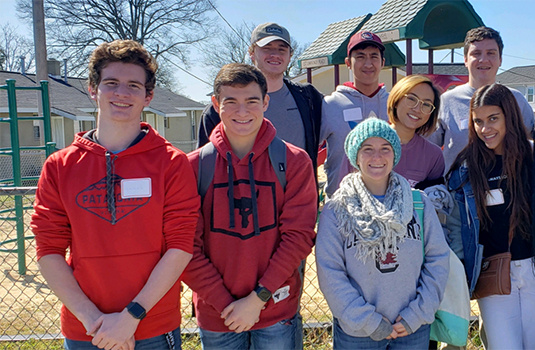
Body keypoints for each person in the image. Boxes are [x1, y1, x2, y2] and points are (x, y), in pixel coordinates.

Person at [31, 39, 200, 350]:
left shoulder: (171, 163)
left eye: (133, 85)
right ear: (93, 88)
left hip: (152, 327)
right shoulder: (60, 166)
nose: (122, 93)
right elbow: (48, 250)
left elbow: (180, 246)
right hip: (86, 329)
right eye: (111, 83)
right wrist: (91, 318)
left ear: (148, 96)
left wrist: (130, 318)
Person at [182, 63, 317, 349]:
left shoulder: (294, 162)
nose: (242, 112)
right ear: (216, 104)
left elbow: (298, 237)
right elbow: (184, 247)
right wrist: (226, 304)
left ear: (266, 102)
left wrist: (258, 299)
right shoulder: (193, 167)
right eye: (231, 102)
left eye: (252, 101)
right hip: (218, 314)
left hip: (277, 311)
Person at [316, 117, 450, 349]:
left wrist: (416, 314)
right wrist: (368, 321)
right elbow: (330, 272)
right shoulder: (337, 209)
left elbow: (438, 260)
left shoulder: (418, 203)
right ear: (355, 156)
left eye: (385, 149)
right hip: (358, 331)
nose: (377, 157)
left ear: (394, 154)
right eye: (367, 149)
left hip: (410, 328)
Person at [444, 83, 535, 349]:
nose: (485, 128)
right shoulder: (468, 167)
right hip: (494, 271)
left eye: (493, 119)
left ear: (509, 117)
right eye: (478, 121)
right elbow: (457, 225)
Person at [198, 22, 324, 173]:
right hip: (239, 194)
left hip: (298, 193)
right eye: (267, 48)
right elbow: (205, 167)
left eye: (281, 49)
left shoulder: (309, 99)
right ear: (251, 53)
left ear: (290, 56)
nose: (275, 55)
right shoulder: (218, 111)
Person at [429, 26, 534, 174]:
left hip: (510, 191)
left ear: (500, 60)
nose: (483, 60)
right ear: (465, 60)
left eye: (491, 53)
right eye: (476, 54)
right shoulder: (447, 101)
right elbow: (426, 149)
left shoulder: (516, 100)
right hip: (459, 193)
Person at [320, 31, 389, 196]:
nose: (368, 64)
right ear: (348, 63)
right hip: (341, 203)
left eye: (374, 56)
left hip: (387, 202)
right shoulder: (331, 105)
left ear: (382, 62)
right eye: (360, 57)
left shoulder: (394, 105)